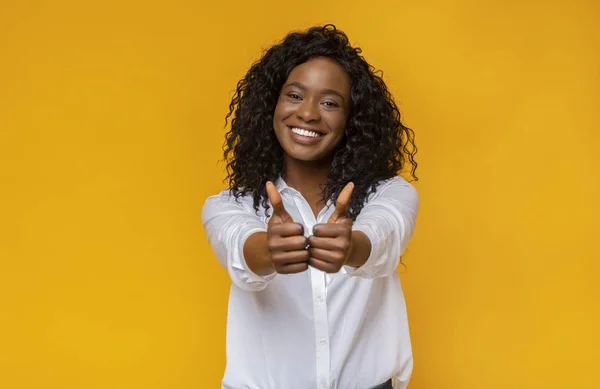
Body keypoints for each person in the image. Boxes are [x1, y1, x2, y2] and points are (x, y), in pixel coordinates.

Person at [202, 24, 419, 389]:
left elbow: (384, 233)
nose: (308, 114)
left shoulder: (390, 193)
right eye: (295, 96)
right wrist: (268, 250)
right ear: (272, 104)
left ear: (352, 120)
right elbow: (239, 248)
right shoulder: (227, 205)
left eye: (330, 102)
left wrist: (352, 247)